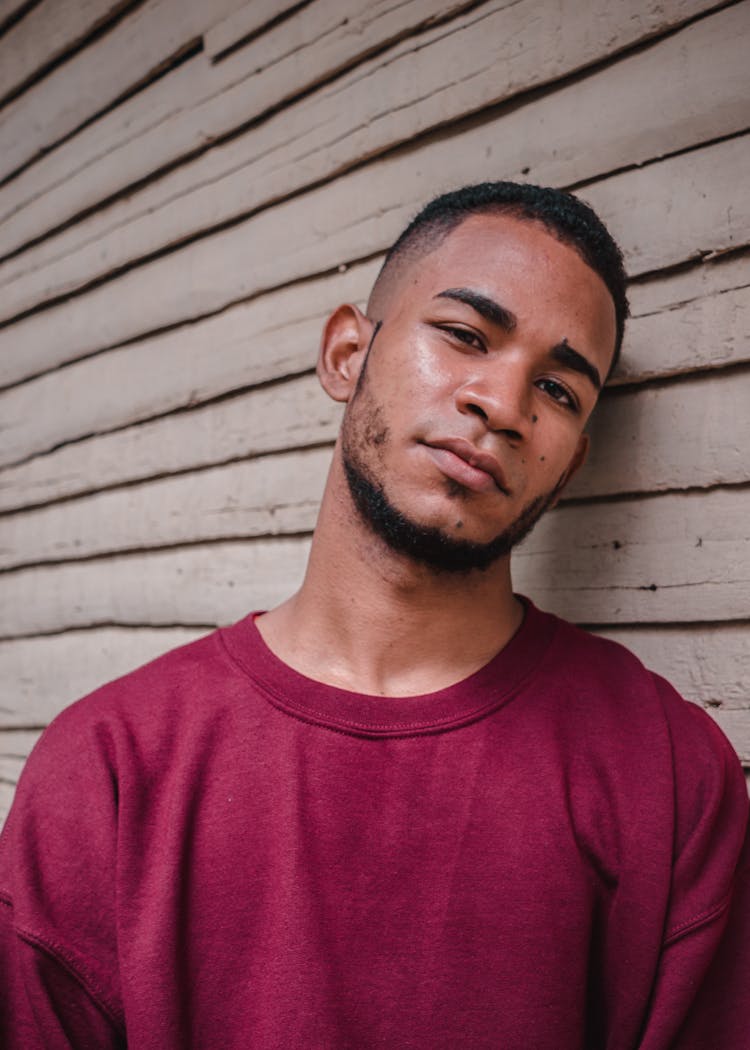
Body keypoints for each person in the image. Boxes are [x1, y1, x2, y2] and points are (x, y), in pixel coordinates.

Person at [1, 182, 747, 1049]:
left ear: (570, 464)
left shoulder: (665, 773)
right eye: (466, 336)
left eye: (556, 389)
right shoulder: (111, 769)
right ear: (347, 353)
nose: (502, 407)